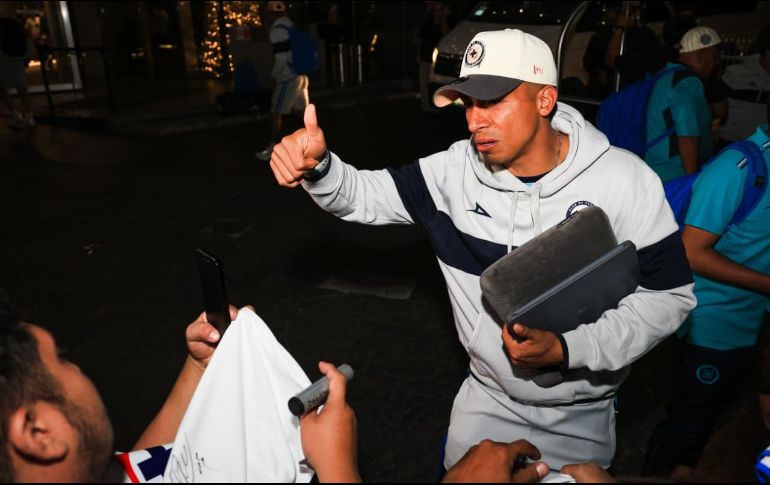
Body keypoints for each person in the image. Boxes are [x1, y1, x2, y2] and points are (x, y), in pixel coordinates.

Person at [269, 28, 696, 471]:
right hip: (485, 404)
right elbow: (362, 194)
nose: (474, 121)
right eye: (468, 104)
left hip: (581, 418)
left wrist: (571, 348)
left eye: (492, 102)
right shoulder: (451, 173)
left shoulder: (625, 182)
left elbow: (669, 297)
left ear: (544, 100)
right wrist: (319, 167)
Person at [643, 101, 770, 480]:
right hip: (714, 327)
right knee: (684, 427)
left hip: (757, 328)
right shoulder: (738, 169)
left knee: (714, 423)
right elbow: (692, 252)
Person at [643, 26, 722, 183]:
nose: (716, 63)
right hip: (672, 176)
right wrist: (691, 183)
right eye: (714, 56)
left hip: (656, 171)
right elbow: (688, 138)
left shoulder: (667, 74)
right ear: (701, 56)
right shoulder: (687, 83)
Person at [255, 0, 310, 162]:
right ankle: (312, 144)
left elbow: (280, 58)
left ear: (270, 13)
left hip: (288, 78)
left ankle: (273, 149)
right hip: (301, 75)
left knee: (276, 112)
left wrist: (275, 74)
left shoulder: (277, 30)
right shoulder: (291, 26)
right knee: (302, 112)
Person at [719, 27, 770, 145]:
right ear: (765, 52)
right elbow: (717, 107)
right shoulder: (735, 73)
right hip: (729, 140)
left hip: (761, 145)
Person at [0, 4, 35, 130]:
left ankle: (15, 114)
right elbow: (25, 40)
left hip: (3, 59)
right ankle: (30, 117)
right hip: (17, 58)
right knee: (22, 88)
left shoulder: (7, 25)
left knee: (2, 88)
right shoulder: (15, 24)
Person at [416, 2, 454, 112]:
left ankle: (437, 105)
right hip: (425, 58)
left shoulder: (444, 23)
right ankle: (426, 107)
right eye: (437, 10)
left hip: (436, 62)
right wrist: (418, 54)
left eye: (441, 10)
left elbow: (446, 33)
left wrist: (444, 19)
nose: (439, 13)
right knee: (423, 84)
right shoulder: (428, 23)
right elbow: (420, 40)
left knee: (435, 85)